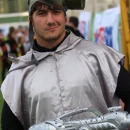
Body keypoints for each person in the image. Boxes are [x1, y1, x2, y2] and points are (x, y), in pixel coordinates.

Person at [1, 0, 130, 130]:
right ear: (30, 20)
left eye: (56, 11)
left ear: (65, 17)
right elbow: (9, 126)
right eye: (42, 13)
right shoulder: (19, 73)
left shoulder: (98, 55)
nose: (50, 20)